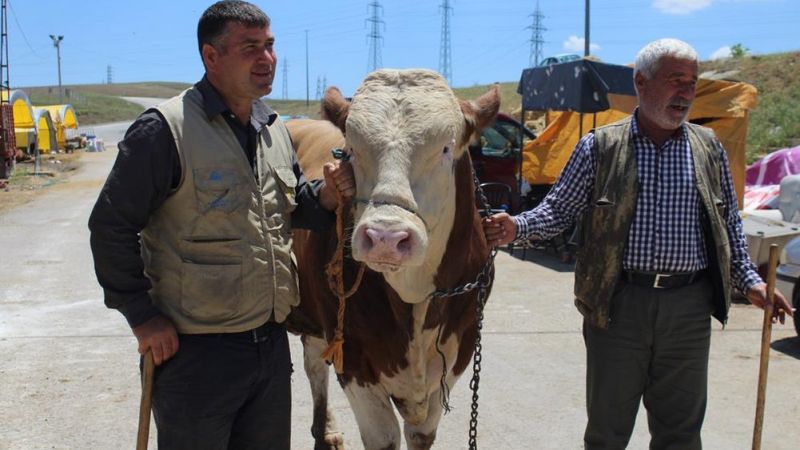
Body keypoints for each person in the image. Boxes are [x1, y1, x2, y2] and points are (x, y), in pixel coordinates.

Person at [483, 38, 793, 449]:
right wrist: (515, 228)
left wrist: (750, 280)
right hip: (618, 305)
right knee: (608, 433)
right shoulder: (600, 147)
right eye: (675, 80)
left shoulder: (709, 148)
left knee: (680, 435)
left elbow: (728, 226)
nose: (685, 91)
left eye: (692, 82)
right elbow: (558, 210)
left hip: (689, 310)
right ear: (641, 83)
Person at [88, 1, 354, 448]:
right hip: (194, 354)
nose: (267, 59)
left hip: (269, 348)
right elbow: (110, 226)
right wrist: (142, 317)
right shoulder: (163, 130)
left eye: (270, 46)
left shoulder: (274, 130)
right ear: (211, 57)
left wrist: (325, 197)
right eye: (250, 47)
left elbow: (285, 213)